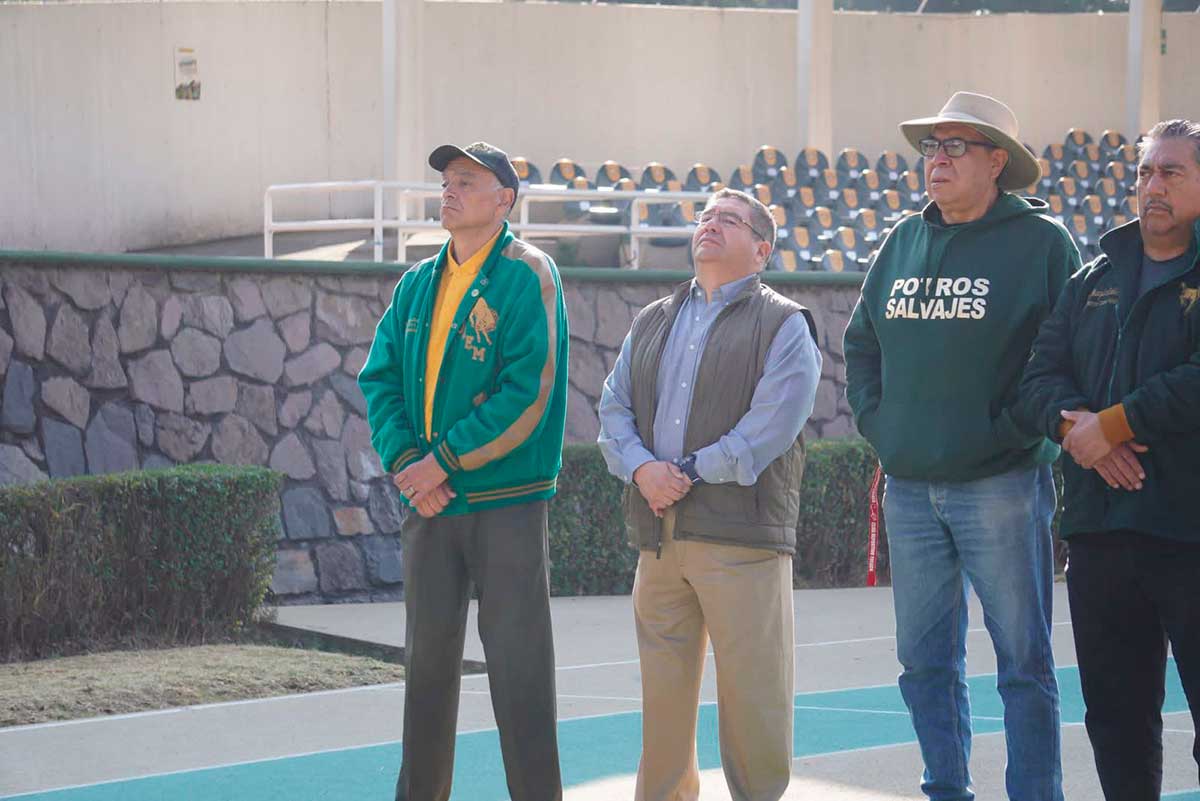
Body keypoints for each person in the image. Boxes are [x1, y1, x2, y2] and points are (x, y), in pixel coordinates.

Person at [842, 91, 1080, 801]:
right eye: (930, 147)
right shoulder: (901, 241)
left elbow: (1066, 357)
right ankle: (945, 787)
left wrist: (1011, 433)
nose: (936, 160)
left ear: (997, 162)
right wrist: (883, 426)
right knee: (923, 663)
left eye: (954, 147)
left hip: (1003, 484)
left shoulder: (1043, 245)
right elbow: (861, 344)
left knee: (1023, 664)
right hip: (911, 487)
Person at [358, 141, 569, 801]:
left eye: (467, 181)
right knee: (425, 669)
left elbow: (527, 393)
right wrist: (407, 464)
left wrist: (441, 462)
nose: (449, 190)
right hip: (429, 504)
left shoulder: (528, 274)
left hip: (505, 503)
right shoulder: (417, 283)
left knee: (519, 671)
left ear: (504, 200)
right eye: (447, 181)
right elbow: (379, 379)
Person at [597, 187, 822, 801]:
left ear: (762, 250)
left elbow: (769, 427)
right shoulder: (652, 319)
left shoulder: (785, 324)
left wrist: (686, 472)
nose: (711, 225)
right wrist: (643, 471)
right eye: (706, 217)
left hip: (741, 538)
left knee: (754, 698)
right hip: (659, 538)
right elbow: (614, 409)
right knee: (662, 701)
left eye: (730, 220)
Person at [1015, 119, 1200, 801]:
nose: (1154, 185)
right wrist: (1079, 431)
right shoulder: (1090, 278)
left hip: (1189, 532)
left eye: (1172, 171)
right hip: (1101, 532)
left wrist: (1114, 425)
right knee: (1117, 723)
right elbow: (1036, 378)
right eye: (1146, 172)